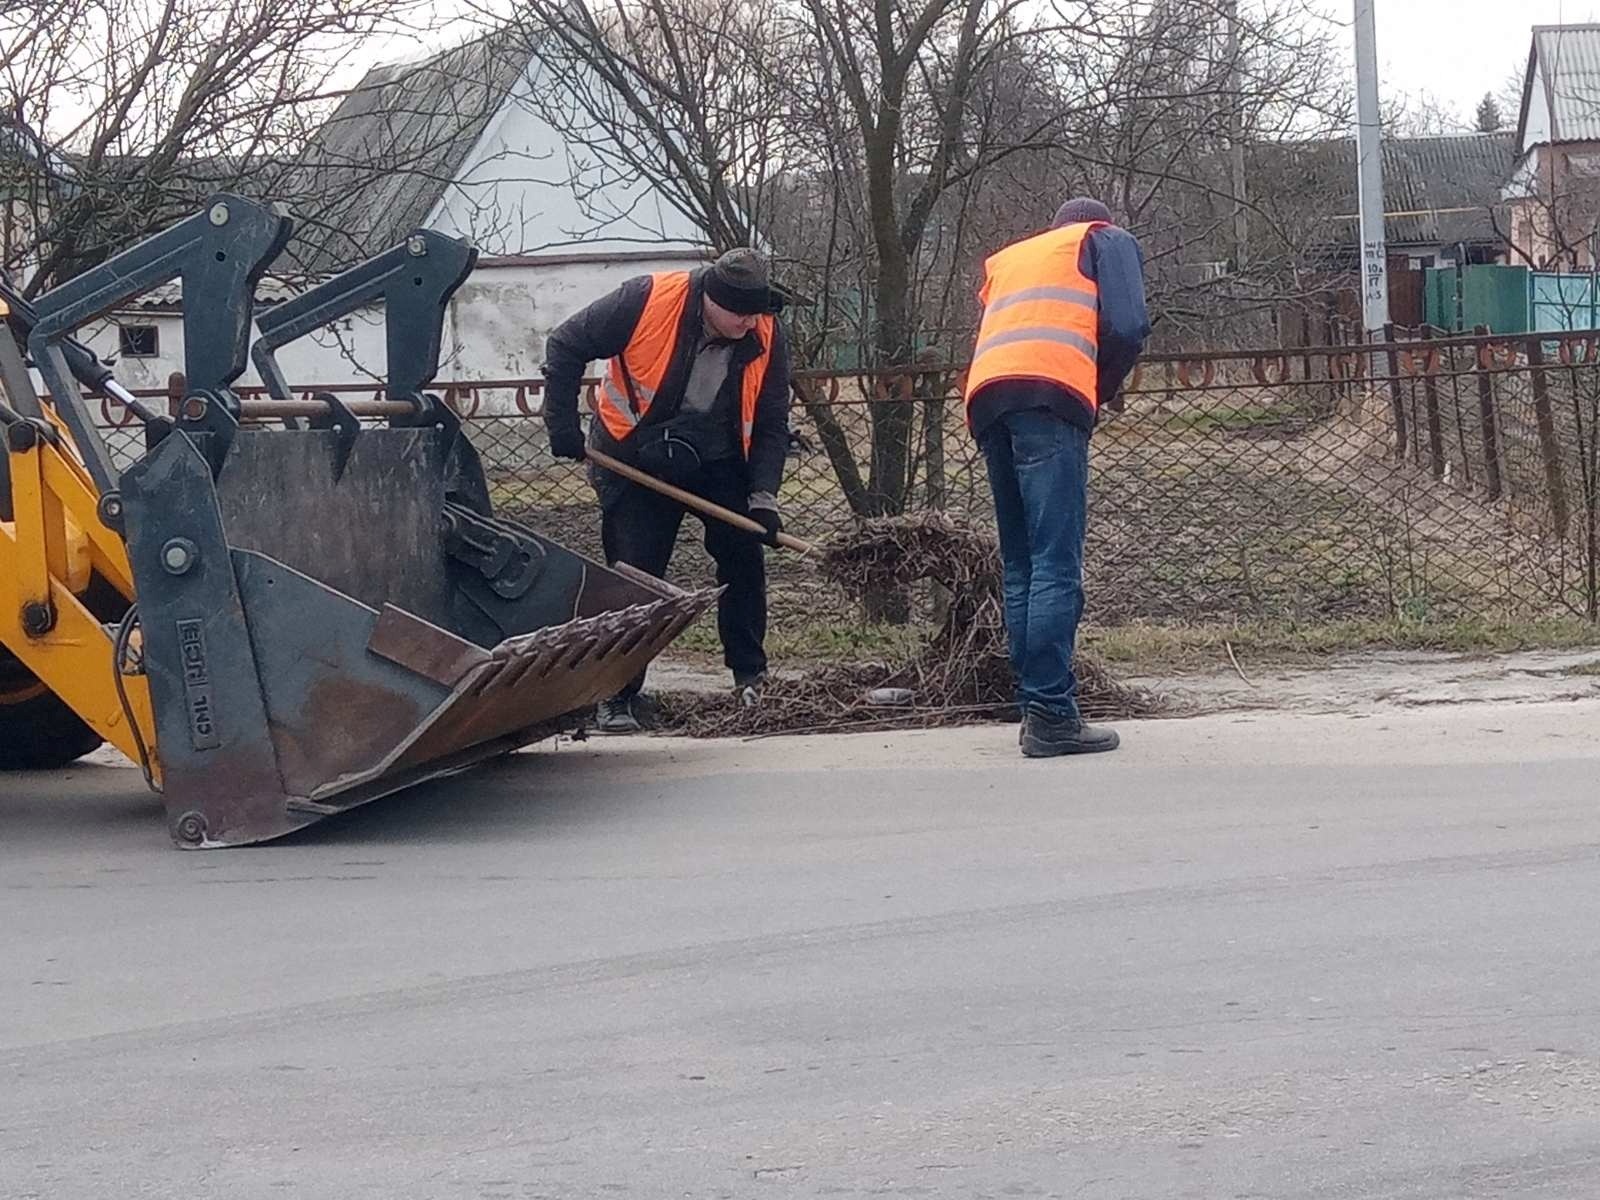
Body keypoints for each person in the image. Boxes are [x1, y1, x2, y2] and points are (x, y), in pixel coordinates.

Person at [541, 248, 792, 734]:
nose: (749, 323)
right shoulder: (645, 299)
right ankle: (616, 695)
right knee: (636, 574)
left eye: (756, 313)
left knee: (743, 557)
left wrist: (763, 498)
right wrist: (562, 426)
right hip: (633, 455)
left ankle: (750, 677)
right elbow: (566, 343)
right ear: (709, 301)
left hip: (718, 457)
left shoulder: (763, 329)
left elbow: (772, 421)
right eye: (739, 313)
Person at [964, 197, 1151, 758]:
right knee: (1054, 561)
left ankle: (1035, 707)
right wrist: (1102, 387)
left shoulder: (1012, 257)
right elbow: (1128, 324)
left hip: (988, 398)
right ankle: (1051, 715)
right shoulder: (1104, 239)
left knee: (1021, 562)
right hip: (1050, 397)